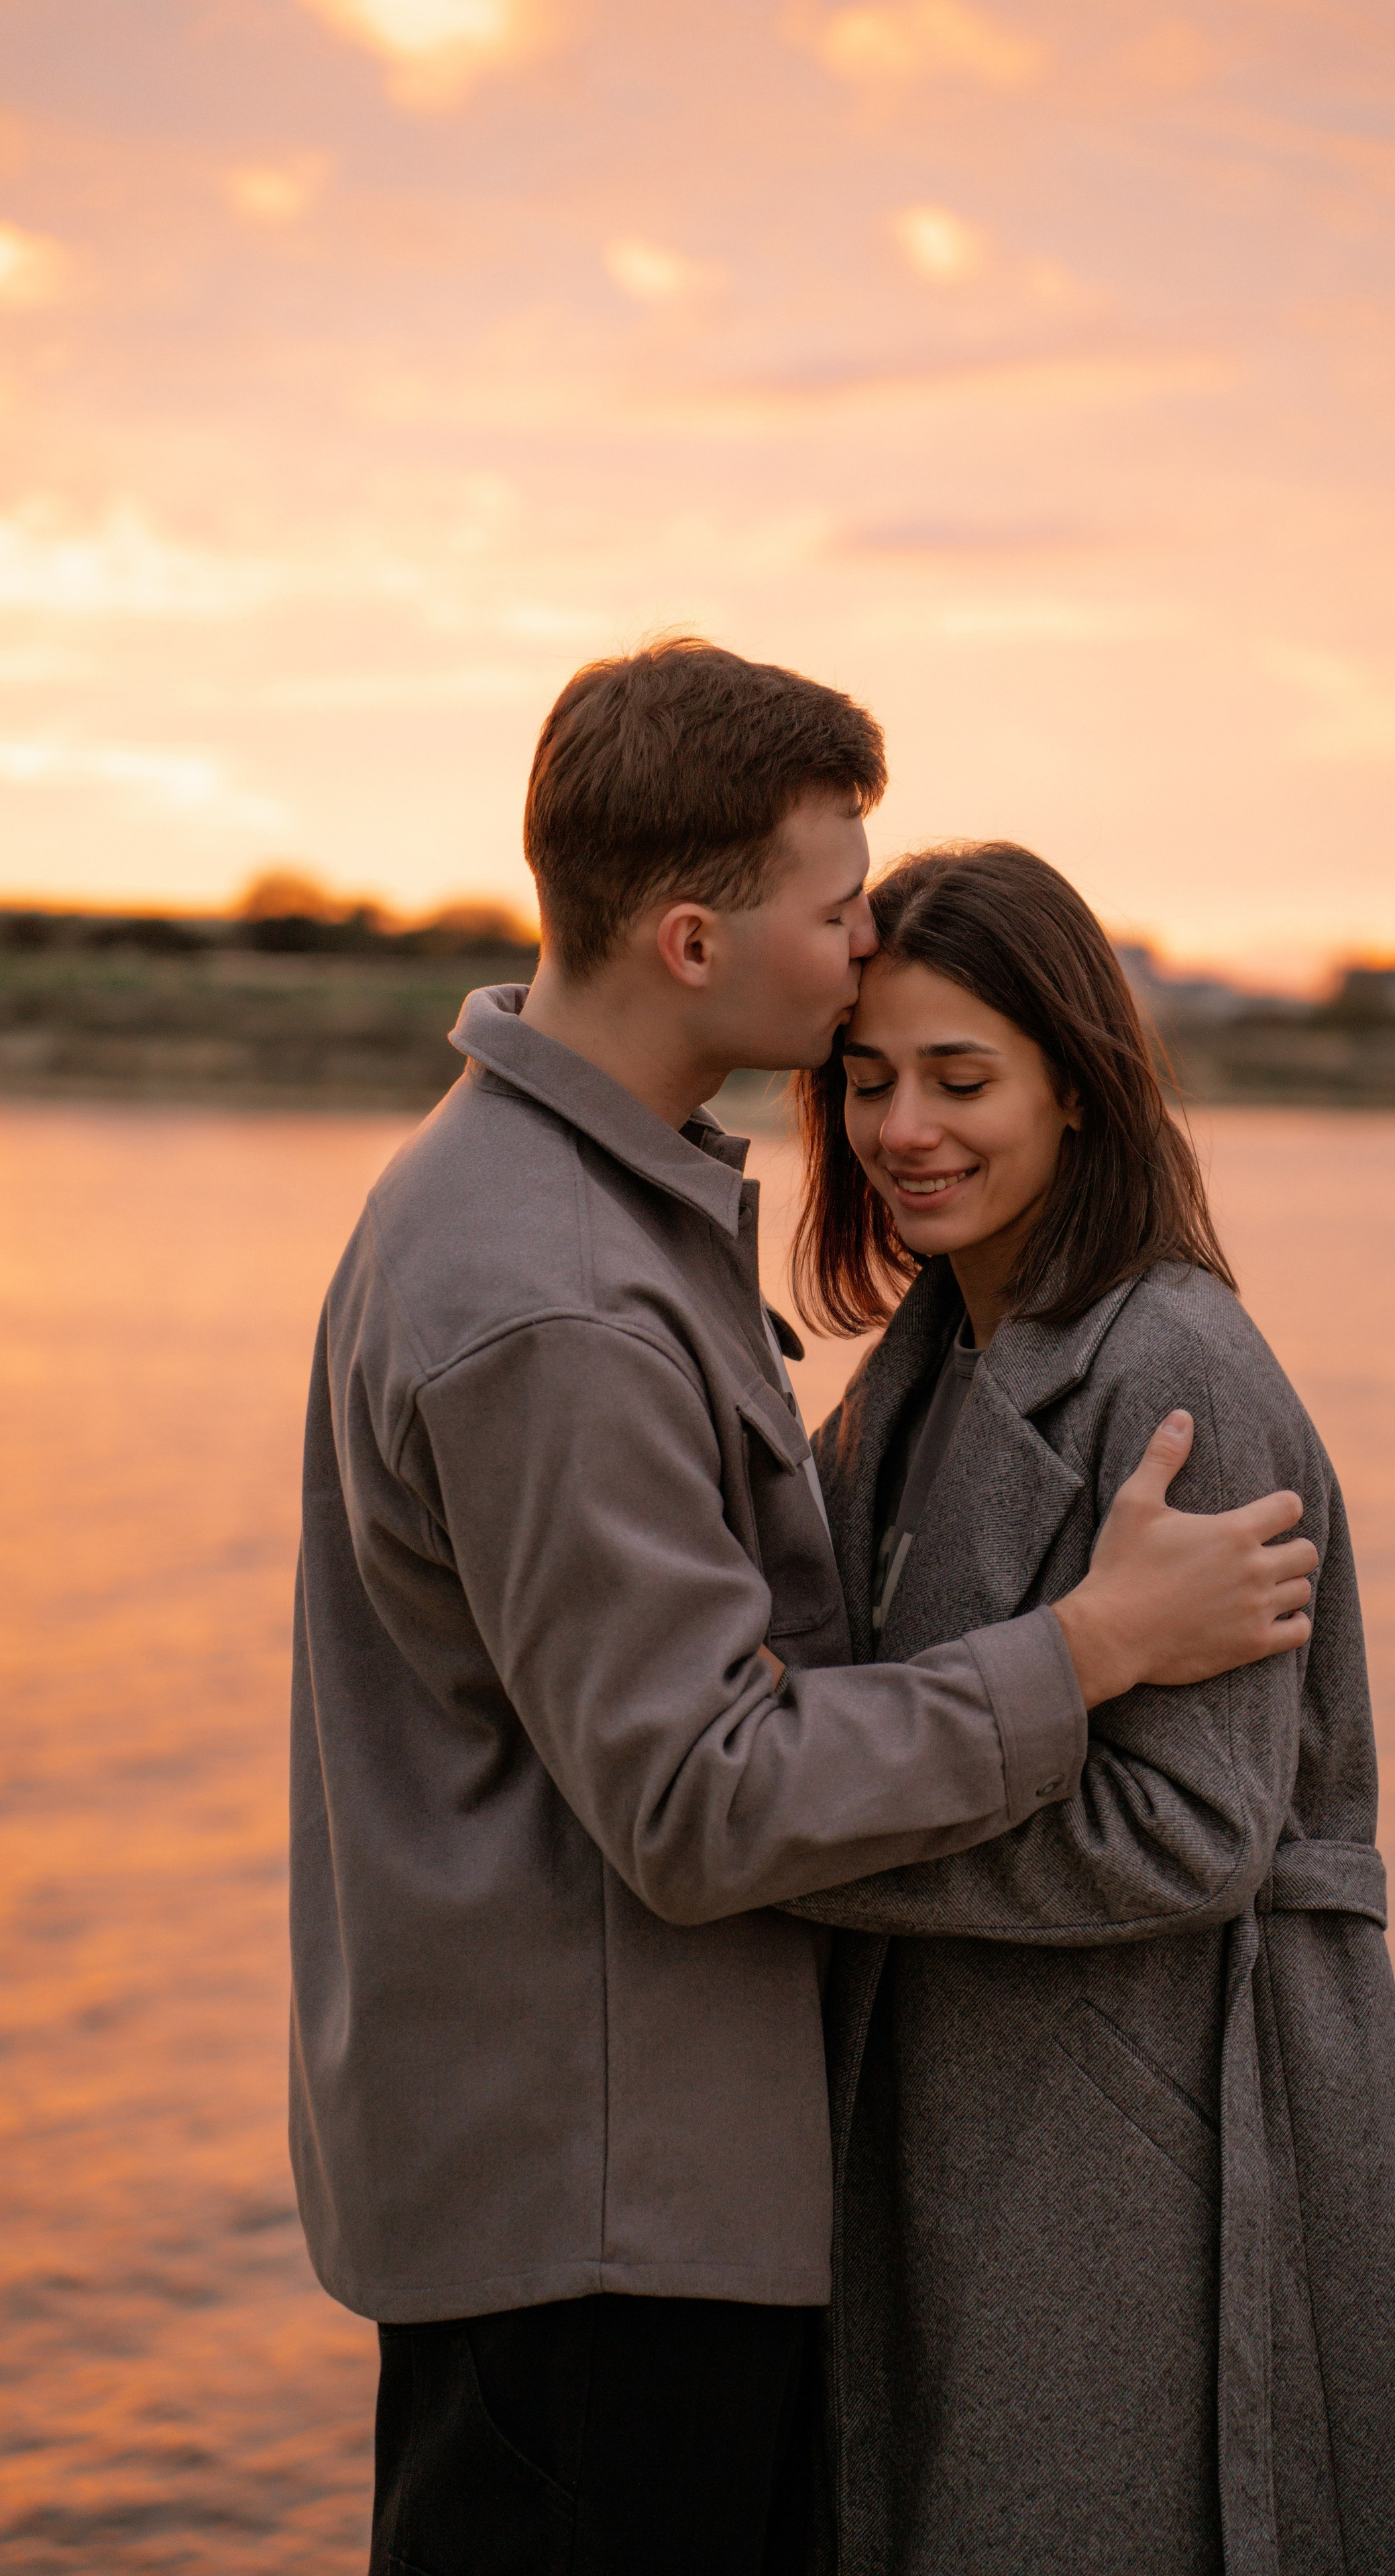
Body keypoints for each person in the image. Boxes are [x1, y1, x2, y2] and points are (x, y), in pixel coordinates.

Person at [287, 643, 1321, 2576]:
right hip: (604, 2227)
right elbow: (700, 1798)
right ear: (695, 940)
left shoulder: (572, 1213)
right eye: (840, 909)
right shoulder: (557, 1296)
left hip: (596, 2192)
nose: (866, 946)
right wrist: (1091, 1646)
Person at [786, 842, 1395, 2576]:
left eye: (962, 1078)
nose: (903, 1129)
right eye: (867, 1080)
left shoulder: (1177, 1371)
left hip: (1161, 2116)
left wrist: (782, 1851)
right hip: (971, 2109)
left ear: (1080, 1089)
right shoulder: (925, 1354)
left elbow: (1191, 1831)